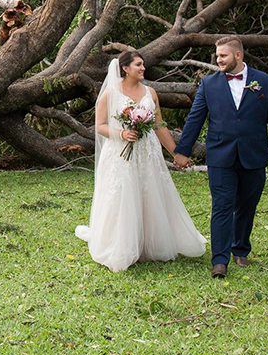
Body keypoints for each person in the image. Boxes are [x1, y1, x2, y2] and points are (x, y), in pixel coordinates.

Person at [173, 35, 268, 279]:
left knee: (247, 206)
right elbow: (195, 119)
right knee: (222, 205)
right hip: (220, 155)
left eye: (223, 55)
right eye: (217, 56)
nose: (219, 60)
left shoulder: (264, 82)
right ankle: (220, 259)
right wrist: (182, 151)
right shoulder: (208, 84)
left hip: (254, 154)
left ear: (238, 55)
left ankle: (240, 249)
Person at [75, 50, 206, 272]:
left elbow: (159, 126)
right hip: (120, 152)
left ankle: (150, 243)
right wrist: (122, 134)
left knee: (150, 193)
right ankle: (123, 243)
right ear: (125, 68)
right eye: (138, 65)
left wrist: (175, 153)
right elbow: (100, 126)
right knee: (124, 196)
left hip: (147, 152)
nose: (143, 68)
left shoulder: (150, 92)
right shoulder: (110, 94)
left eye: (143, 64)